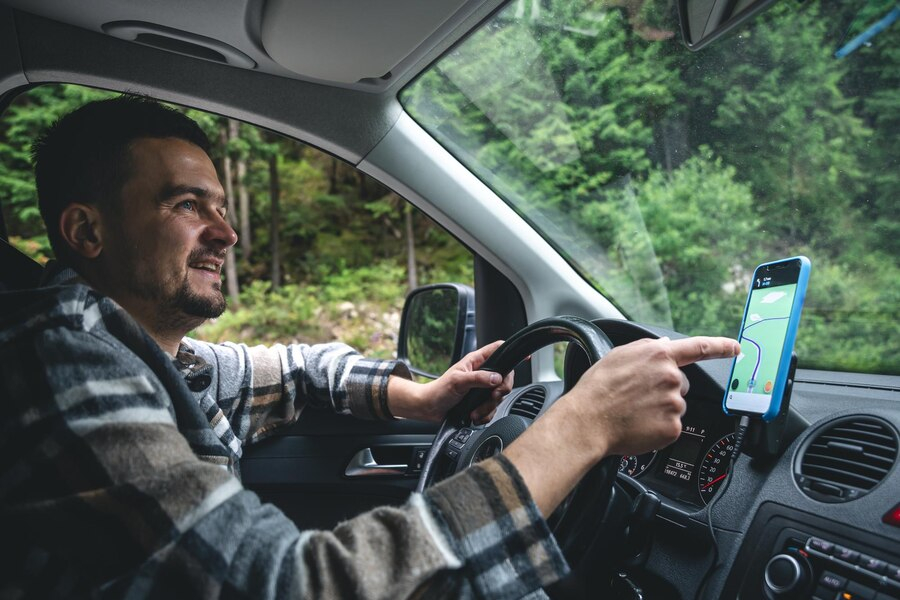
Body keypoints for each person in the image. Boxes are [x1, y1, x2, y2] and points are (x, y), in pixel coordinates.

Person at [0, 96, 740, 599]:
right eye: (187, 204)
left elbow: (295, 371)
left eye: (222, 206)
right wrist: (580, 428)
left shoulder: (156, 358)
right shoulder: (64, 363)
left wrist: (417, 397)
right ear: (86, 231)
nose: (225, 233)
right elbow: (292, 583)